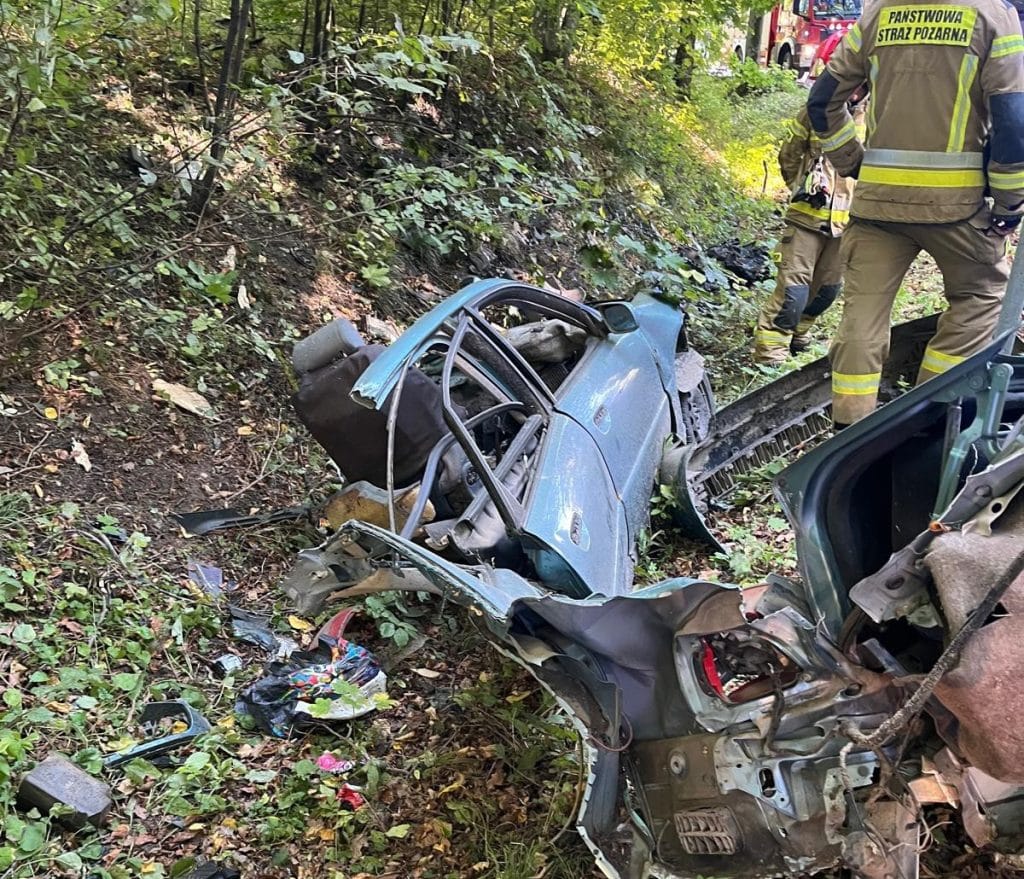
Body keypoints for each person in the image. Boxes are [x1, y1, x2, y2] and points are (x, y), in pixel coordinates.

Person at [807, 0, 1024, 426]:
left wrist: (852, 162)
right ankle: (924, 418)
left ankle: (848, 432)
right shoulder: (993, 17)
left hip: (877, 206)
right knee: (980, 298)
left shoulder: (875, 15)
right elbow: (1013, 124)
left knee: (861, 319)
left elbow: (822, 103)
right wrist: (1008, 204)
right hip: (956, 210)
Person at [753, 102, 861, 363]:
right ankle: (770, 357)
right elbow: (789, 153)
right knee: (793, 292)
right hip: (806, 219)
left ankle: (799, 337)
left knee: (827, 291)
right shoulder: (818, 106)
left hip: (846, 224)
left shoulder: (881, 109)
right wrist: (799, 187)